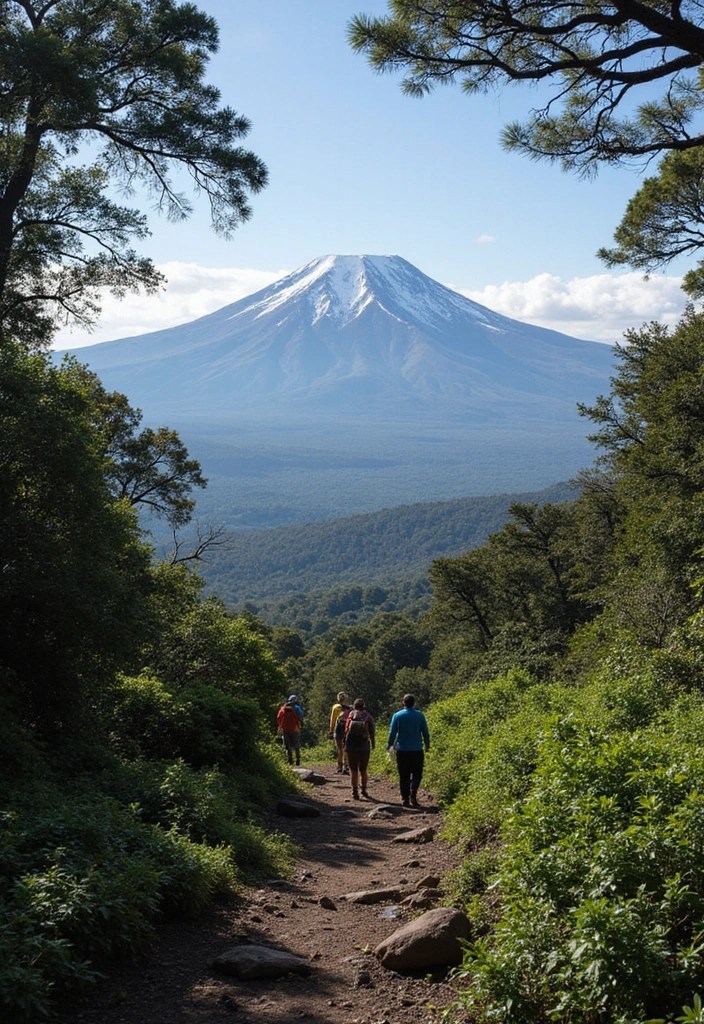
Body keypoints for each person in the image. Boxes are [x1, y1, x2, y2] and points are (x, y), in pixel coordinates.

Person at [387, 693, 430, 808]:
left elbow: (392, 733)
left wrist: (390, 745)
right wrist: (427, 745)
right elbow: (425, 732)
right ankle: (413, 794)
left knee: (403, 775)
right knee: (417, 774)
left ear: (403, 703)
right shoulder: (420, 715)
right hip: (417, 750)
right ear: (414, 703)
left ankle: (405, 799)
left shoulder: (397, 715)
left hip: (402, 750)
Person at [344, 697, 375, 800]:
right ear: (363, 706)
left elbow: (346, 729)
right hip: (364, 746)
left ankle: (354, 792)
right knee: (363, 769)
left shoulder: (351, 715)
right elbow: (372, 731)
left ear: (354, 706)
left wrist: (345, 744)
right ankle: (364, 790)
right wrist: (373, 743)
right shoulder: (368, 716)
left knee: (353, 770)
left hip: (351, 745)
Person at [329, 691, 352, 773]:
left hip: (338, 729)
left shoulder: (336, 707)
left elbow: (333, 719)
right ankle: (346, 766)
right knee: (346, 748)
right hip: (347, 729)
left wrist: (331, 731)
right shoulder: (350, 708)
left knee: (339, 749)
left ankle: (339, 766)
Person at [276, 698, 302, 766]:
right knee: (296, 745)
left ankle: (290, 760)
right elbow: (300, 717)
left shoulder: (282, 709)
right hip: (295, 729)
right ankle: (298, 760)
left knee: (287, 746)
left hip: (285, 729)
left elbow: (278, 718)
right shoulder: (296, 708)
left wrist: (280, 727)